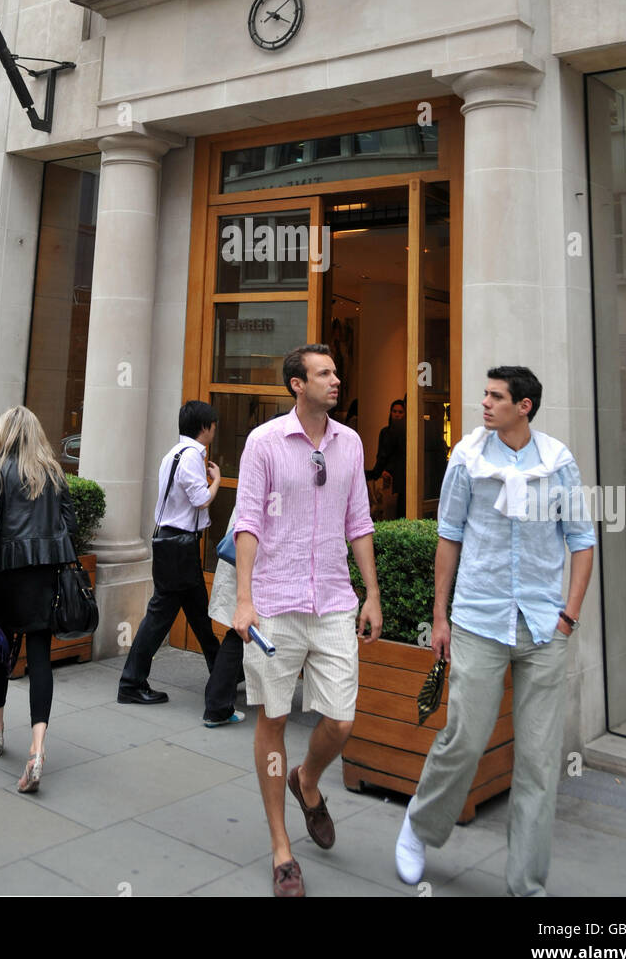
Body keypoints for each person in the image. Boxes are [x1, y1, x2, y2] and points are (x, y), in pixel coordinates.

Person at [395, 366, 595, 898]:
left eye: (496, 396)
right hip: (480, 620)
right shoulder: (466, 458)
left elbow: (581, 539)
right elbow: (448, 536)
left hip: (543, 628)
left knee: (538, 761)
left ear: (524, 406)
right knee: (464, 741)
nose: (484, 403)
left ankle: (526, 884)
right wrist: (440, 617)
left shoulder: (559, 463)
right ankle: (419, 826)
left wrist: (568, 615)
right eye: (484, 394)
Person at [233, 343, 382, 898]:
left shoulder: (350, 442)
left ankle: (308, 780)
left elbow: (359, 521)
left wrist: (371, 593)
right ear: (297, 384)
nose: (335, 379)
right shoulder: (264, 442)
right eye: (323, 373)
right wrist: (244, 601)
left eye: (336, 371)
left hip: (335, 601)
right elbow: (246, 521)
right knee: (272, 720)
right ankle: (281, 850)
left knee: (340, 720)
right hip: (274, 600)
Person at [0, 406, 79, 794]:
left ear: (3, 433)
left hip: (6, 573)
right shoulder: (53, 473)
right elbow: (69, 525)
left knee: (0, 652)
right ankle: (37, 749)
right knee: (39, 657)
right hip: (44, 575)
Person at [118, 400, 222, 704]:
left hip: (173, 544)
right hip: (179, 546)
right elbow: (201, 499)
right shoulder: (190, 457)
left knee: (199, 614)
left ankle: (224, 671)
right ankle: (130, 683)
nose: (215, 429)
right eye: (213, 424)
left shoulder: (173, 454)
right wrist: (216, 482)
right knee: (160, 616)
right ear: (204, 427)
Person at [202, 509, 245, 727]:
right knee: (240, 633)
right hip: (255, 565)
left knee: (240, 633)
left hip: (246, 561)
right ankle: (217, 705)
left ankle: (222, 692)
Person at [367, 398, 407, 517]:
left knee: (394, 510)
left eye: (400, 412)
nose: (397, 415)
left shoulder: (407, 432)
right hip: (385, 474)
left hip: (399, 475)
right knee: (384, 511)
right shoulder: (385, 432)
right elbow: (381, 454)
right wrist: (379, 472)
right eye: (394, 411)